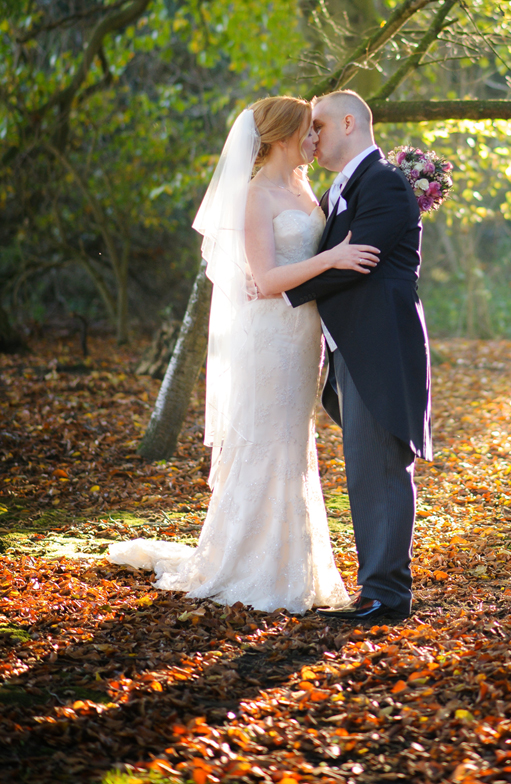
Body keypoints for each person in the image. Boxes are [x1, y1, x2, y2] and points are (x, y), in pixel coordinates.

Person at [108, 96, 380, 614]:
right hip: (269, 335)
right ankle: (251, 564)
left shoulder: (302, 188)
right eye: (307, 131)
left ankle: (293, 562)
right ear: (280, 137)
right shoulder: (257, 196)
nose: (314, 140)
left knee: (294, 442)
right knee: (269, 439)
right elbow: (267, 279)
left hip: (304, 333)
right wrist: (334, 257)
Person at [285, 90, 432, 622]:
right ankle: (376, 588)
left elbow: (356, 263)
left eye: (319, 125)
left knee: (382, 470)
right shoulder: (341, 187)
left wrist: (278, 286)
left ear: (349, 122)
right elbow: (337, 258)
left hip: (381, 346)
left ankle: (386, 595)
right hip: (353, 346)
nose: (312, 137)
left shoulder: (387, 184)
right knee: (366, 470)